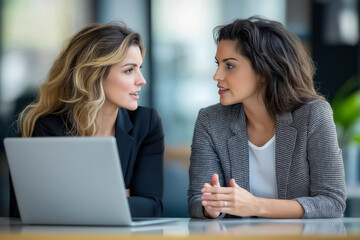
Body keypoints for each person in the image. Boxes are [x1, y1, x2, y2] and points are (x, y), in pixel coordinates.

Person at [188, 16, 346, 219]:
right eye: (218, 64)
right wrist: (211, 208)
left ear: (263, 70)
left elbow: (332, 201)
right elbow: (195, 200)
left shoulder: (312, 114)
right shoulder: (210, 120)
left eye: (229, 66)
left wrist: (255, 205)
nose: (216, 75)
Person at [8, 22, 164, 217]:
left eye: (139, 68)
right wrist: (118, 200)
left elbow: (152, 207)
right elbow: (27, 210)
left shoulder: (147, 123)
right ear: (94, 75)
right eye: (129, 70)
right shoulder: (47, 127)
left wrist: (81, 202)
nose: (142, 80)